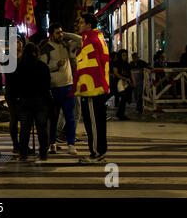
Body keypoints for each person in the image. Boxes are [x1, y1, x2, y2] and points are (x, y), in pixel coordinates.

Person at [72, 13, 110, 164]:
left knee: (93, 123)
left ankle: (96, 153)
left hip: (92, 90)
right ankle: (100, 151)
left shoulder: (91, 41)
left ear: (89, 25)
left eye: (81, 23)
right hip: (99, 88)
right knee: (99, 123)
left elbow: (87, 68)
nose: (79, 25)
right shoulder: (97, 38)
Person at [39, 22, 82, 155]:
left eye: (61, 32)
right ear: (51, 35)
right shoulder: (46, 48)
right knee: (54, 117)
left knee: (70, 117)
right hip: (54, 88)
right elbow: (42, 68)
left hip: (68, 86)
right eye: (58, 33)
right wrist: (56, 66)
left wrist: (66, 34)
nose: (61, 35)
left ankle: (71, 144)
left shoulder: (66, 45)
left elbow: (80, 40)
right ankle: (52, 143)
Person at [14, 42, 51, 162]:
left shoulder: (19, 67)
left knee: (25, 128)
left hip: (25, 101)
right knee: (42, 128)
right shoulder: (43, 66)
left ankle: (23, 153)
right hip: (40, 101)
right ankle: (43, 152)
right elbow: (47, 85)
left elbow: (16, 84)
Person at [4, 37, 25, 155]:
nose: (18, 44)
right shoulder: (8, 58)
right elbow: (9, 77)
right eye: (16, 42)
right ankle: (15, 145)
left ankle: (24, 144)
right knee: (14, 118)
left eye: (20, 41)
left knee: (25, 120)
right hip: (12, 93)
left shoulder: (26, 57)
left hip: (24, 94)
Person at [114, 49, 135, 120]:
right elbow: (116, 73)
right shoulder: (116, 63)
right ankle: (120, 114)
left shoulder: (127, 64)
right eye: (123, 55)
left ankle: (120, 113)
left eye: (126, 55)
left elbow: (131, 73)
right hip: (119, 82)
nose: (125, 57)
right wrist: (124, 78)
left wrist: (133, 82)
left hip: (126, 82)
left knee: (125, 98)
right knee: (123, 97)